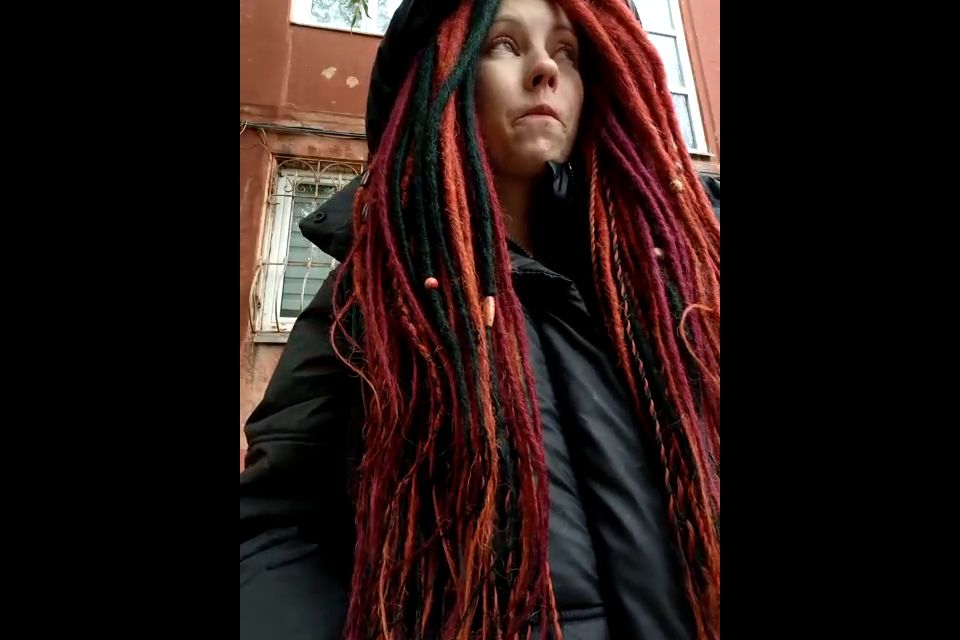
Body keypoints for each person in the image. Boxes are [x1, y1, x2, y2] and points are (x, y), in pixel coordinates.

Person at [240, 0, 720, 638]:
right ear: (446, 77)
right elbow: (278, 527)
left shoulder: (677, 275)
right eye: (504, 45)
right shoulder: (374, 294)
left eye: (568, 51)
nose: (546, 68)